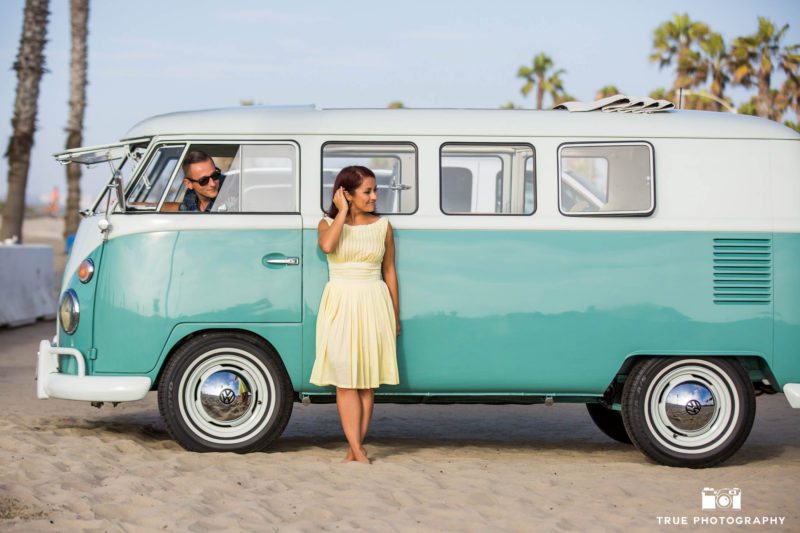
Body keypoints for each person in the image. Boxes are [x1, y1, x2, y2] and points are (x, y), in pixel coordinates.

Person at [310, 166, 400, 464]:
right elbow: (326, 246)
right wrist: (341, 212)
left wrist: (395, 316)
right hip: (341, 301)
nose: (374, 196)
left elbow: (389, 271)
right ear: (346, 194)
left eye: (375, 190)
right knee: (346, 381)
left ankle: (355, 447)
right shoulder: (326, 223)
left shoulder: (383, 226)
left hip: (374, 300)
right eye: (368, 191)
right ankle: (358, 449)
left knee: (367, 382)